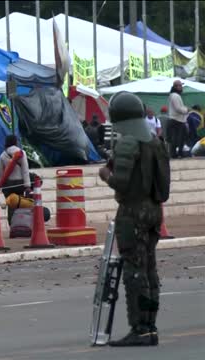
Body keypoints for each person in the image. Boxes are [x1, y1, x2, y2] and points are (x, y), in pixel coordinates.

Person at [98, 91, 170, 347]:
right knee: (150, 270)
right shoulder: (156, 142)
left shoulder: (128, 143)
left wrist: (105, 173)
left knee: (134, 272)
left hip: (132, 213)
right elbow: (164, 185)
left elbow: (122, 183)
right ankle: (150, 326)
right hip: (154, 211)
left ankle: (138, 328)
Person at [0, 135, 31, 226]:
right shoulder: (21, 153)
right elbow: (25, 170)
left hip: (8, 184)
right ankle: (20, 224)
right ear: (16, 142)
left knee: (11, 205)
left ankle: (11, 224)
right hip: (20, 183)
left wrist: (0, 186)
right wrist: (27, 186)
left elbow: (1, 173)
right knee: (20, 203)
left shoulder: (2, 155)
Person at [166, 80, 190, 158]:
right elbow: (178, 108)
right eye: (180, 86)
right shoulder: (175, 96)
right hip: (176, 120)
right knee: (176, 138)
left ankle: (178, 153)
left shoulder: (174, 95)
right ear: (176, 86)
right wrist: (186, 110)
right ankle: (175, 154)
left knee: (180, 138)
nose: (181, 87)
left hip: (177, 120)